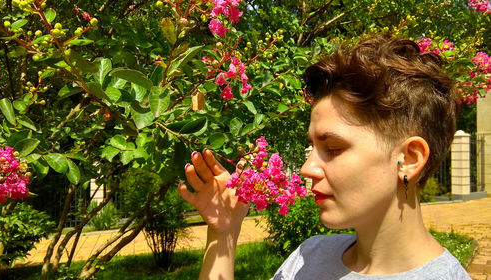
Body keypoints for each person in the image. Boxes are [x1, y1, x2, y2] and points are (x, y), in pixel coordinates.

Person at [178, 34, 471, 279]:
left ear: (408, 158)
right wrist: (224, 234)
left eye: (333, 149)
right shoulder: (308, 257)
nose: (307, 168)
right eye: (312, 147)